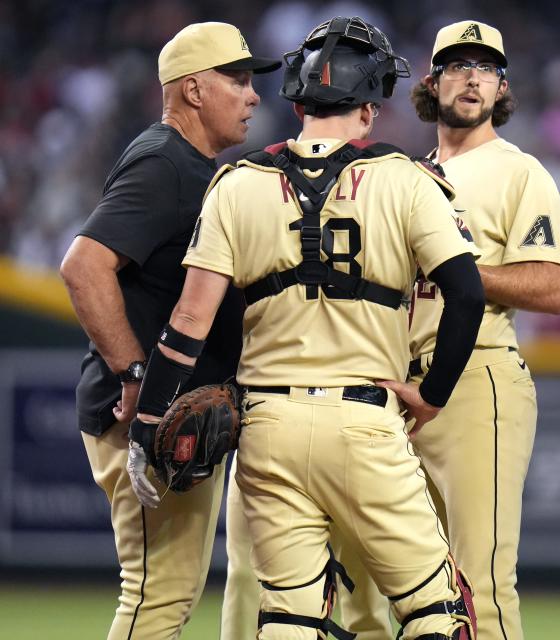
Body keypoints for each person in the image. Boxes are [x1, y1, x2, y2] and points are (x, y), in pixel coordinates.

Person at [129, 16, 485, 640]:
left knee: (290, 618)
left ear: (296, 99)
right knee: (436, 613)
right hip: (365, 421)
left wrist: (149, 422)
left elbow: (187, 323)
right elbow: (466, 295)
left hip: (269, 430)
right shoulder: (407, 179)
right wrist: (434, 393)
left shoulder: (237, 183)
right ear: (371, 106)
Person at [58, 22, 278, 640]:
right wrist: (134, 374)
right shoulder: (166, 163)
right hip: (148, 414)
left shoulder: (184, 161)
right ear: (193, 90)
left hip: (173, 408)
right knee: (157, 596)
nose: (252, 94)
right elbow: (83, 266)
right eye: (236, 80)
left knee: (165, 593)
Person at [404, 20, 560, 640]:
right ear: (432, 82)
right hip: (406, 386)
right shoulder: (408, 175)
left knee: (482, 583)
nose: (471, 77)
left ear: (501, 89)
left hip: (479, 379)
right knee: (413, 581)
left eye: (485, 68)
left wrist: (462, 272)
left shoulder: (519, 172)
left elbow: (552, 288)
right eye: (456, 65)